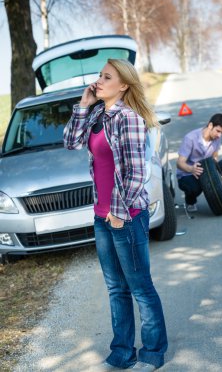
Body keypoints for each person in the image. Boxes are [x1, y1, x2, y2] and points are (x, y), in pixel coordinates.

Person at [63, 59, 168, 371]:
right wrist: (82, 105)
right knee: (115, 287)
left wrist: (119, 214)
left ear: (123, 85)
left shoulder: (129, 119)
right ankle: (122, 352)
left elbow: (138, 173)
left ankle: (152, 352)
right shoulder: (97, 114)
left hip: (127, 216)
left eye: (106, 77)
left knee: (140, 287)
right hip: (101, 216)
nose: (99, 80)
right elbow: (71, 142)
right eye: (99, 75)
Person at [176, 113, 222, 212]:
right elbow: (179, 163)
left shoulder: (216, 138)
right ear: (210, 125)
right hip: (189, 173)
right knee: (193, 188)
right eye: (218, 131)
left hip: (207, 170)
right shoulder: (190, 138)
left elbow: (214, 157)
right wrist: (191, 169)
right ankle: (190, 201)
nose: (219, 135)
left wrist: (218, 176)